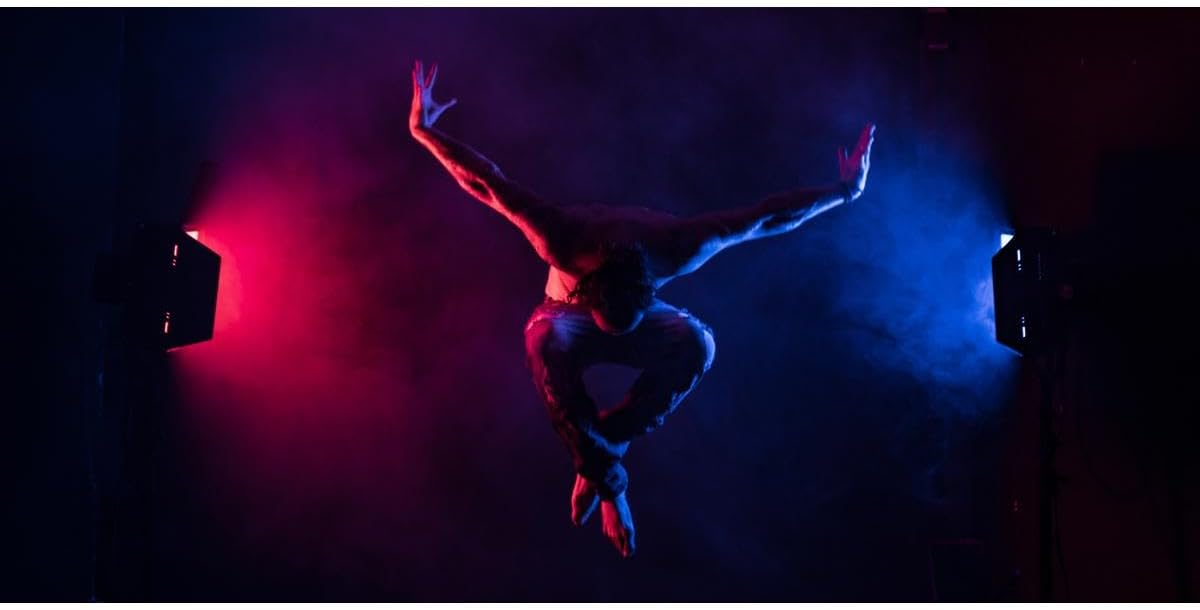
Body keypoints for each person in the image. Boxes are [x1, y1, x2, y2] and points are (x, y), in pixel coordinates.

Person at [408, 61, 875, 557]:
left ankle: (599, 463)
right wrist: (424, 132)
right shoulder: (562, 238)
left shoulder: (678, 246)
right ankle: (611, 483)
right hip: (566, 313)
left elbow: (765, 220)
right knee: (542, 341)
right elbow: (485, 183)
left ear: (652, 289)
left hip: (628, 313)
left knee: (699, 344)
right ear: (589, 286)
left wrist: (843, 193)